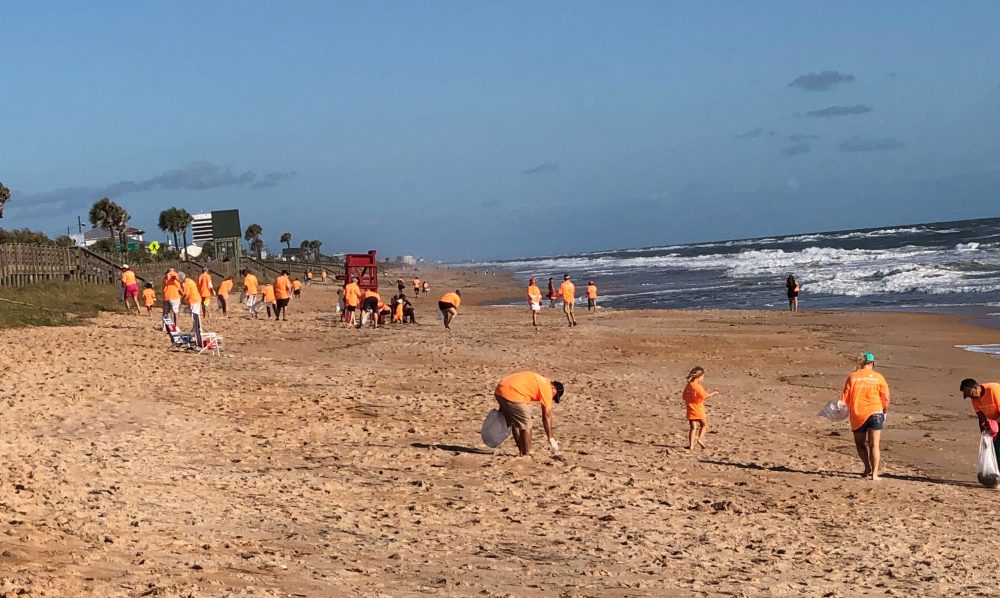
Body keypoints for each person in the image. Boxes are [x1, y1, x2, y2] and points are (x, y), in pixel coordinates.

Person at [841, 353, 890, 480]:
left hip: (858, 413)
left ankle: (867, 466)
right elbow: (885, 397)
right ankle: (874, 474)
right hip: (875, 411)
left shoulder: (853, 377)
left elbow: (845, 398)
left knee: (860, 443)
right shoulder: (878, 377)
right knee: (874, 444)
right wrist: (884, 411)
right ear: (872, 363)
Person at [494, 371, 565, 457]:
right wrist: (551, 438)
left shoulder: (541, 381)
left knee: (515, 423)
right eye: (555, 396)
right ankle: (526, 454)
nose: (552, 399)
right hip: (513, 393)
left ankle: (521, 451)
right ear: (554, 387)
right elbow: (546, 415)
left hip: (500, 389)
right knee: (527, 424)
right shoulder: (547, 388)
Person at [960, 378, 1000, 464]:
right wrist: (984, 435)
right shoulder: (975, 400)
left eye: (971, 394)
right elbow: (981, 419)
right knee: (995, 449)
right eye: (969, 396)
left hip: (997, 420)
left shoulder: (993, 390)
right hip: (996, 422)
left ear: (975, 387)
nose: (971, 397)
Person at [683, 366, 719, 450]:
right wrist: (714, 392)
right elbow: (704, 396)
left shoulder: (688, 386)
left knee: (693, 428)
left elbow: (684, 396)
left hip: (690, 409)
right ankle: (700, 439)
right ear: (698, 377)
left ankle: (691, 445)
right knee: (704, 425)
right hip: (698, 409)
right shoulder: (697, 386)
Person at [180, 270, 202, 334]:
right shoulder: (188, 281)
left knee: (194, 315)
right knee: (195, 314)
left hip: (194, 300)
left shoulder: (187, 282)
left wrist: (182, 300)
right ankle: (195, 328)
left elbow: (186, 294)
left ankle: (196, 329)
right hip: (195, 299)